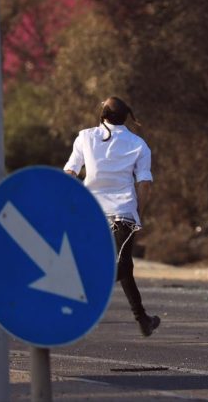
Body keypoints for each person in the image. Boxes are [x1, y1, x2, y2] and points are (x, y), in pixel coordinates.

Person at [64, 96, 161, 337]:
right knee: (122, 265)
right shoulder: (139, 144)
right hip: (122, 214)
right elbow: (145, 184)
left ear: (103, 114)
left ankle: (143, 319)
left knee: (125, 267)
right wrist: (139, 213)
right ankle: (83, 290)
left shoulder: (85, 137)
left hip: (91, 213)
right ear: (126, 116)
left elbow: (70, 172)